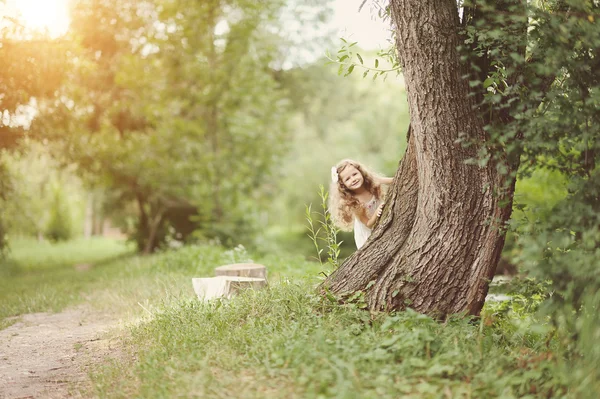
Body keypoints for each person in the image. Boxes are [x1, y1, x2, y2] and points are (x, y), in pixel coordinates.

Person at [328, 159, 394, 249]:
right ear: (343, 185)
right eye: (347, 179)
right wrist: (376, 213)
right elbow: (368, 224)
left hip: (383, 224)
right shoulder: (354, 202)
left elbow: (394, 181)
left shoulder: (373, 183)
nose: (353, 179)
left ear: (361, 172)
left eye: (355, 174)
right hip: (368, 234)